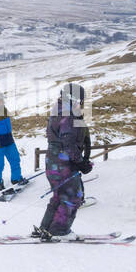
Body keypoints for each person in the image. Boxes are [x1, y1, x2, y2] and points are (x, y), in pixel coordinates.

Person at [34, 83, 92, 241]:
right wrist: (80, 163)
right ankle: (60, 230)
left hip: (54, 161)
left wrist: (82, 158)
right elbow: (69, 144)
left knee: (59, 196)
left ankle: (46, 228)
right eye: (80, 100)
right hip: (63, 163)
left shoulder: (60, 111)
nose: (81, 103)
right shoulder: (68, 114)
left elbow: (78, 137)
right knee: (73, 197)